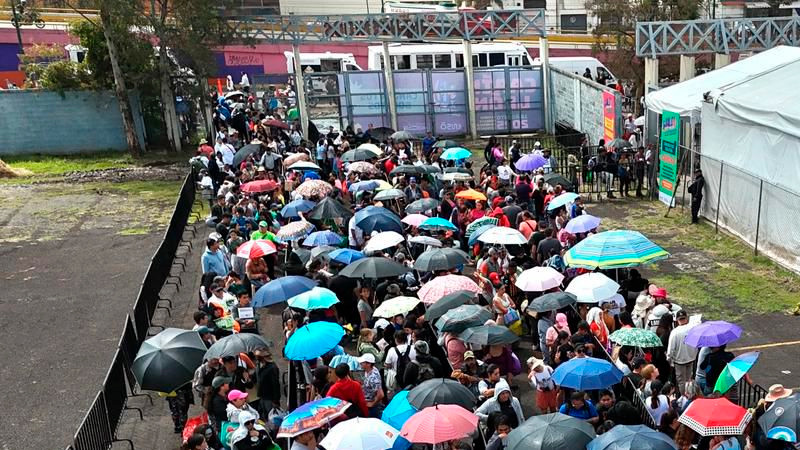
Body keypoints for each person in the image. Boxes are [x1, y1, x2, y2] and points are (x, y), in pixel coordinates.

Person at [667, 310, 698, 395]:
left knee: (681, 382)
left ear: (677, 320)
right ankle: (690, 395)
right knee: (689, 380)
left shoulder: (675, 332)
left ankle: (684, 397)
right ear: (686, 318)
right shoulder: (692, 329)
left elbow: (671, 350)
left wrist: (670, 360)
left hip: (679, 361)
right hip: (691, 358)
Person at [253, 348, 281, 418]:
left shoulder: (272, 368)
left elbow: (276, 385)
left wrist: (276, 401)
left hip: (270, 398)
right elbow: (255, 377)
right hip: (262, 396)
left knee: (273, 417)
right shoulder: (258, 365)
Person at [358, 353, 385, 418]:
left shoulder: (373, 378)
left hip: (372, 405)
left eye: (362, 362)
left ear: (368, 364)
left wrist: (372, 404)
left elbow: (381, 394)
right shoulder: (369, 370)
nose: (360, 363)